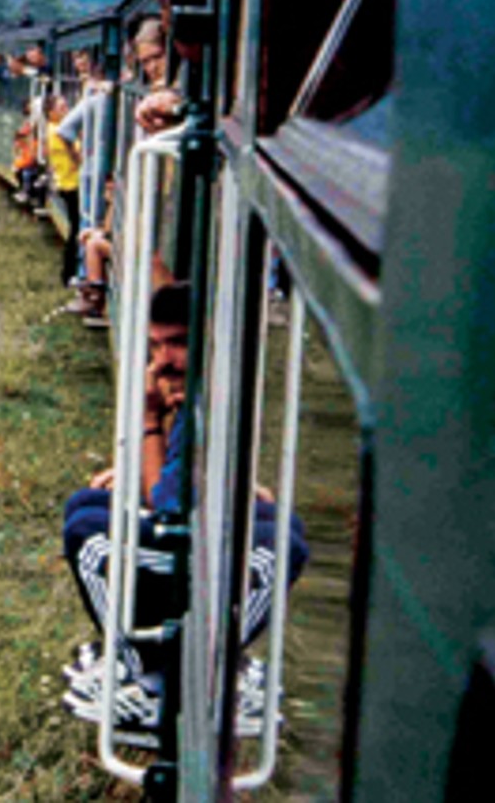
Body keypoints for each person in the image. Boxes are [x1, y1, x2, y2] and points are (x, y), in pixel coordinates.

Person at [60, 284, 309, 735]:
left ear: (210, 339)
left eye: (177, 342)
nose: (163, 360)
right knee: (88, 504)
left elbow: (167, 507)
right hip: (196, 549)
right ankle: (158, 664)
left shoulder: (206, 403)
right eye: (155, 345)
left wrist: (150, 421)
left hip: (197, 557)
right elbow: (173, 490)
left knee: (87, 533)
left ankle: (153, 674)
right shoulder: (203, 390)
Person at [44, 94, 82, 286]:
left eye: (67, 106)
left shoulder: (54, 129)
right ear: (51, 113)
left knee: (76, 228)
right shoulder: (58, 131)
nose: (66, 110)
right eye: (61, 108)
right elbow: (77, 157)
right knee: (76, 229)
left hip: (68, 182)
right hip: (71, 183)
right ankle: (69, 273)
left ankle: (70, 272)